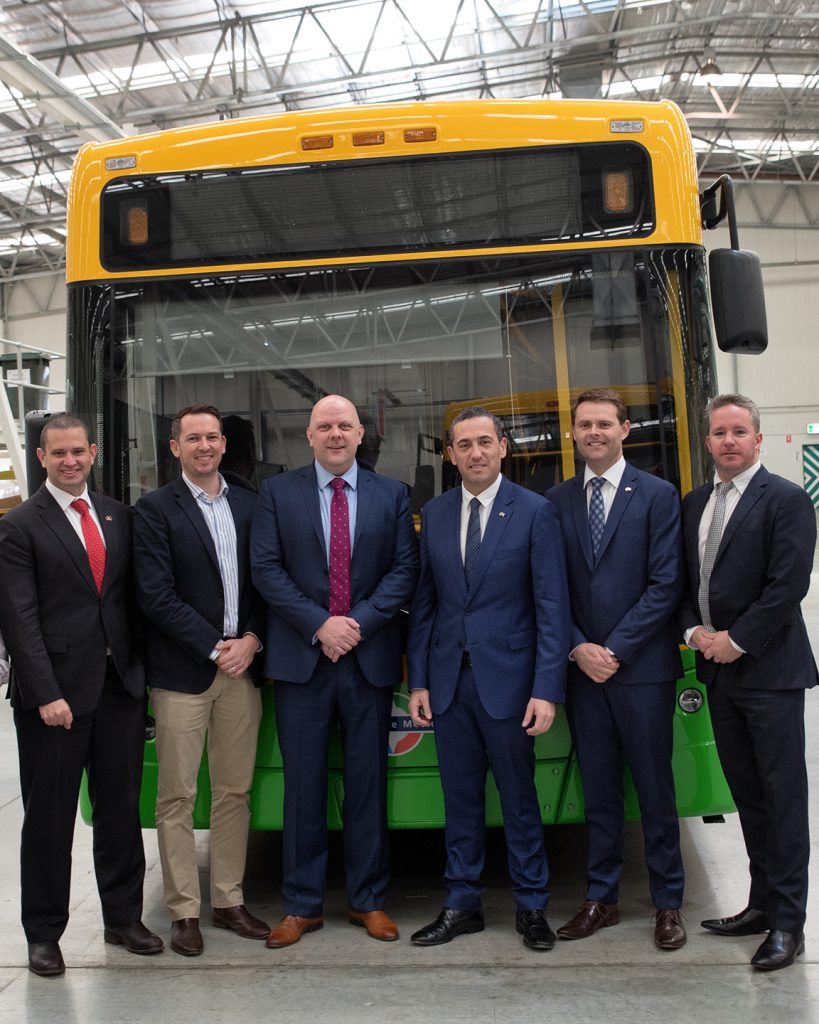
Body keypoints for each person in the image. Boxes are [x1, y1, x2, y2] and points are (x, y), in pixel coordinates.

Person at [251, 394, 418, 948]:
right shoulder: (276, 493)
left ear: (361, 433)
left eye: (345, 425)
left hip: (366, 660)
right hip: (304, 660)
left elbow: (403, 570)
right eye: (325, 426)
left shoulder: (391, 494)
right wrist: (321, 625)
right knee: (303, 787)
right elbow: (267, 570)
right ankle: (301, 906)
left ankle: (369, 901)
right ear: (309, 435)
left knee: (368, 784)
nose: (336, 434)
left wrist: (357, 624)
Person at [0, 413, 162, 977]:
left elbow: (132, 604)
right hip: (55, 701)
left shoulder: (119, 515)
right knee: (49, 818)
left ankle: (123, 918)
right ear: (41, 457)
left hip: (119, 690)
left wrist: (140, 676)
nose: (70, 461)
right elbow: (18, 618)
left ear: (94, 452)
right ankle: (43, 934)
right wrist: (45, 692)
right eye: (58, 453)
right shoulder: (19, 525)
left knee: (120, 811)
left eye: (79, 451)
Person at [407, 406, 570, 950]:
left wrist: (547, 688)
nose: (475, 453)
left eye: (484, 442)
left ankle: (531, 907)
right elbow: (426, 604)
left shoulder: (534, 511)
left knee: (520, 799)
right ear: (450, 454)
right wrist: (420, 681)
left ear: (503, 447)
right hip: (451, 685)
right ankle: (462, 903)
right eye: (463, 445)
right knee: (460, 799)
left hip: (511, 685)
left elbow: (552, 607)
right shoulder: (433, 511)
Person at [679, 393, 817, 972]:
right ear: (707, 442)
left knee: (782, 800)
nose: (729, 440)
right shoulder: (694, 504)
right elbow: (684, 580)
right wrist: (695, 634)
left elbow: (789, 584)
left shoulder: (786, 500)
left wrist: (733, 640)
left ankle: (790, 924)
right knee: (749, 797)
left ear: (758, 440)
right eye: (719, 432)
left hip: (769, 670)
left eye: (739, 431)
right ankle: (761, 904)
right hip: (717, 671)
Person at [545, 388, 686, 951]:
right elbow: (550, 590)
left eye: (605, 423)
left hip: (642, 670)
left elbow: (665, 584)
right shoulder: (553, 502)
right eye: (585, 425)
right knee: (599, 792)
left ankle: (668, 902)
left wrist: (614, 649)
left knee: (655, 791)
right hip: (583, 672)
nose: (594, 432)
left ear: (626, 430)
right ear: (573, 434)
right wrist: (579, 648)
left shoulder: (657, 495)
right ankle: (600, 898)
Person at [132, 403, 269, 957]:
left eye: (212, 437)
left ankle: (228, 900)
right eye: (194, 439)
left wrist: (253, 640)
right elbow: (155, 595)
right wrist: (217, 647)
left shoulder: (253, 505)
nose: (205, 446)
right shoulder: (154, 510)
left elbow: (269, 582)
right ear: (175, 448)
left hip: (243, 668)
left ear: (223, 445)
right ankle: (184, 910)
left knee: (235, 791)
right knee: (177, 797)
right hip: (183, 674)